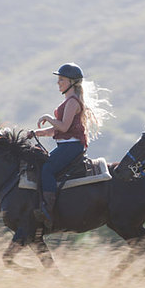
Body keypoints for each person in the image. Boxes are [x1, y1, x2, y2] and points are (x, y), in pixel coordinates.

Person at [28, 63, 111, 228]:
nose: (58, 83)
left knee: (47, 169)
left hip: (71, 147)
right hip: (66, 146)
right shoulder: (69, 100)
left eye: (61, 79)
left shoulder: (72, 102)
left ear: (72, 82)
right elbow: (58, 129)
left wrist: (48, 117)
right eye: (58, 79)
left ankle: (48, 212)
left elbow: (63, 127)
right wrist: (36, 133)